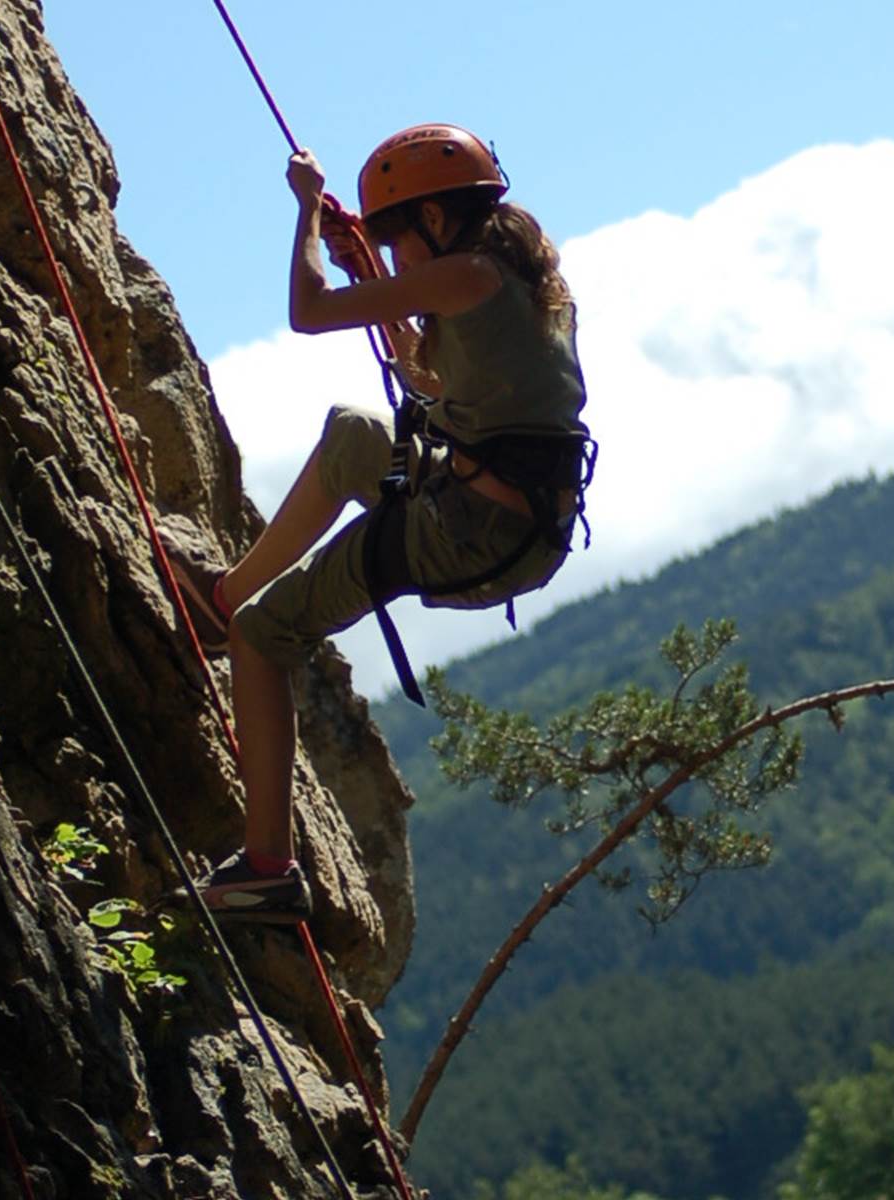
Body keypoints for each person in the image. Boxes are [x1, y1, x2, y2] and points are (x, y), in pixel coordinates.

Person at [165, 124, 591, 920]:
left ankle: (266, 868)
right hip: (505, 521)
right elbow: (433, 386)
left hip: (469, 530)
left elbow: (309, 310)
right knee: (354, 432)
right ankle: (222, 601)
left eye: (395, 239)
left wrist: (305, 216)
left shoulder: (466, 276)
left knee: (270, 635)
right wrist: (370, 267)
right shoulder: (521, 283)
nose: (393, 258)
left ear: (434, 221)